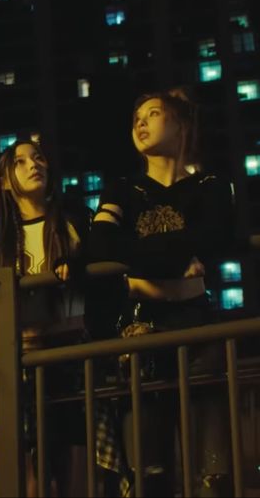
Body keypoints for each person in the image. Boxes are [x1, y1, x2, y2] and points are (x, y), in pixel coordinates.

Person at [90, 88, 235, 496]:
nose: (140, 122)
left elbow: (216, 234)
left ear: (180, 124)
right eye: (136, 116)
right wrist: (174, 263)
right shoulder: (121, 189)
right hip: (142, 331)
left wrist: (139, 258)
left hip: (198, 327)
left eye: (153, 113)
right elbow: (101, 244)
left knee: (214, 469)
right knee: (148, 470)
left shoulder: (210, 185)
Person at [0, 140, 90, 496]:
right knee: (27, 474)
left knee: (74, 468)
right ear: (4, 181)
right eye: (21, 161)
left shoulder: (71, 222)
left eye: (39, 158)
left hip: (70, 358)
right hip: (22, 364)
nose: (33, 165)